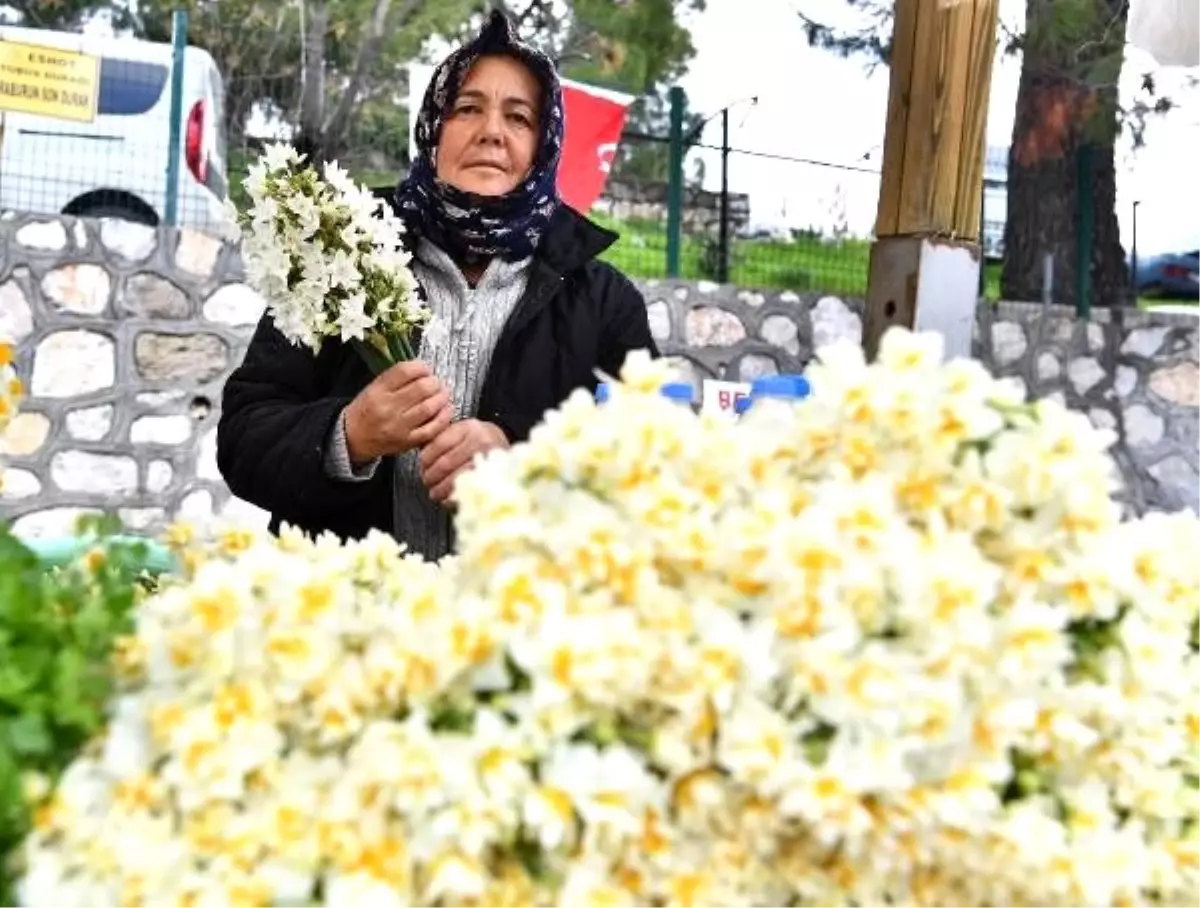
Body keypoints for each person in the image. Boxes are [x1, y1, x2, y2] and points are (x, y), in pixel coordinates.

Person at [216, 10, 658, 559]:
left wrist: (528, 465)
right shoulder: (338, 256)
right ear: (432, 130)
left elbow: (651, 467)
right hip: (341, 622)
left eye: (519, 118)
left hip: (522, 628)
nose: (492, 132)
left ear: (544, 145)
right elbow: (242, 438)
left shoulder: (604, 302)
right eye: (467, 108)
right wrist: (349, 435)